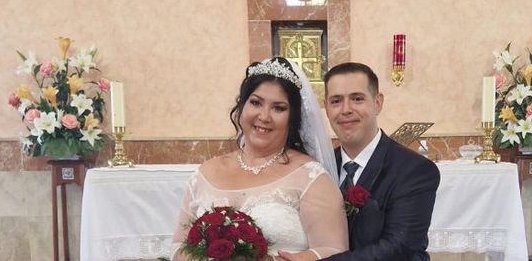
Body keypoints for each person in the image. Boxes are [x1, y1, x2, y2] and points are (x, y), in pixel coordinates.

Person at [169, 57, 348, 260]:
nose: (264, 116)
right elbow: (178, 247)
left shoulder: (311, 177)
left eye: (278, 108)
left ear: (293, 118)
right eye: (256, 103)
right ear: (242, 106)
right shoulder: (206, 173)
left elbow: (333, 251)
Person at [282, 62, 440, 261]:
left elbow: (399, 247)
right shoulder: (317, 168)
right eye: (336, 101)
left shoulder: (415, 170)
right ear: (327, 107)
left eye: (357, 99)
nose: (346, 109)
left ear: (378, 103)